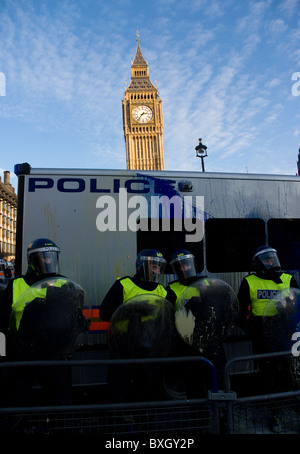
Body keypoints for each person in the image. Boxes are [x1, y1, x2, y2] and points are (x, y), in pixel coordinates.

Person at [0, 238, 88, 407]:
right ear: (32, 260)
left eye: (52, 257)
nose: (48, 261)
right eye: (43, 257)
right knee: (19, 397)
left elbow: (74, 320)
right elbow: (2, 323)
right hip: (21, 352)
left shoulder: (65, 284)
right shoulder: (16, 284)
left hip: (53, 353)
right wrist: (3, 355)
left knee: (59, 398)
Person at [237, 245, 299, 432]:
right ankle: (276, 414)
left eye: (273, 258)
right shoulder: (249, 281)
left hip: (287, 334)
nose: (272, 262)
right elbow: (239, 313)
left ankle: (294, 406)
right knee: (269, 378)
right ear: (258, 264)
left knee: (293, 375)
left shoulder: (288, 279)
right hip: (262, 336)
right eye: (267, 260)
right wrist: (255, 333)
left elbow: (297, 306)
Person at [100, 249, 173, 402]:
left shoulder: (163, 291)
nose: (158, 271)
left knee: (148, 390)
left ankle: (145, 424)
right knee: (118, 390)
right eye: (154, 266)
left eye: (160, 267)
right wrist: (134, 310)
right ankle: (118, 423)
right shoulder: (124, 284)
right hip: (123, 347)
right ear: (142, 266)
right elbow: (104, 312)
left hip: (149, 350)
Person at [166, 249, 228, 397]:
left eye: (187, 265)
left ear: (193, 264)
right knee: (193, 382)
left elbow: (221, 308)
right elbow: (169, 316)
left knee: (217, 381)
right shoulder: (171, 289)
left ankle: (222, 416)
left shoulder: (208, 283)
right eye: (180, 266)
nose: (184, 269)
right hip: (187, 342)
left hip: (210, 340)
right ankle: (199, 418)